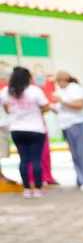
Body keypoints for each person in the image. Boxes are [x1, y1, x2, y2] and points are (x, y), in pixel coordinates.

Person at [0, 66, 51, 198]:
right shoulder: (34, 91)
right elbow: (45, 107)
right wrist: (36, 112)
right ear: (28, 78)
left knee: (23, 159)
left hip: (17, 129)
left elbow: (5, 108)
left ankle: (27, 189)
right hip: (36, 129)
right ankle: (38, 189)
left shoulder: (6, 91)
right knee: (35, 159)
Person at [54, 71, 83, 190]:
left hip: (78, 124)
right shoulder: (60, 92)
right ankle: (80, 179)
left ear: (65, 79)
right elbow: (59, 110)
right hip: (67, 126)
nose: (58, 83)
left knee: (82, 154)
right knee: (75, 155)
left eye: (59, 80)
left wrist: (61, 101)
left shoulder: (75, 88)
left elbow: (80, 104)